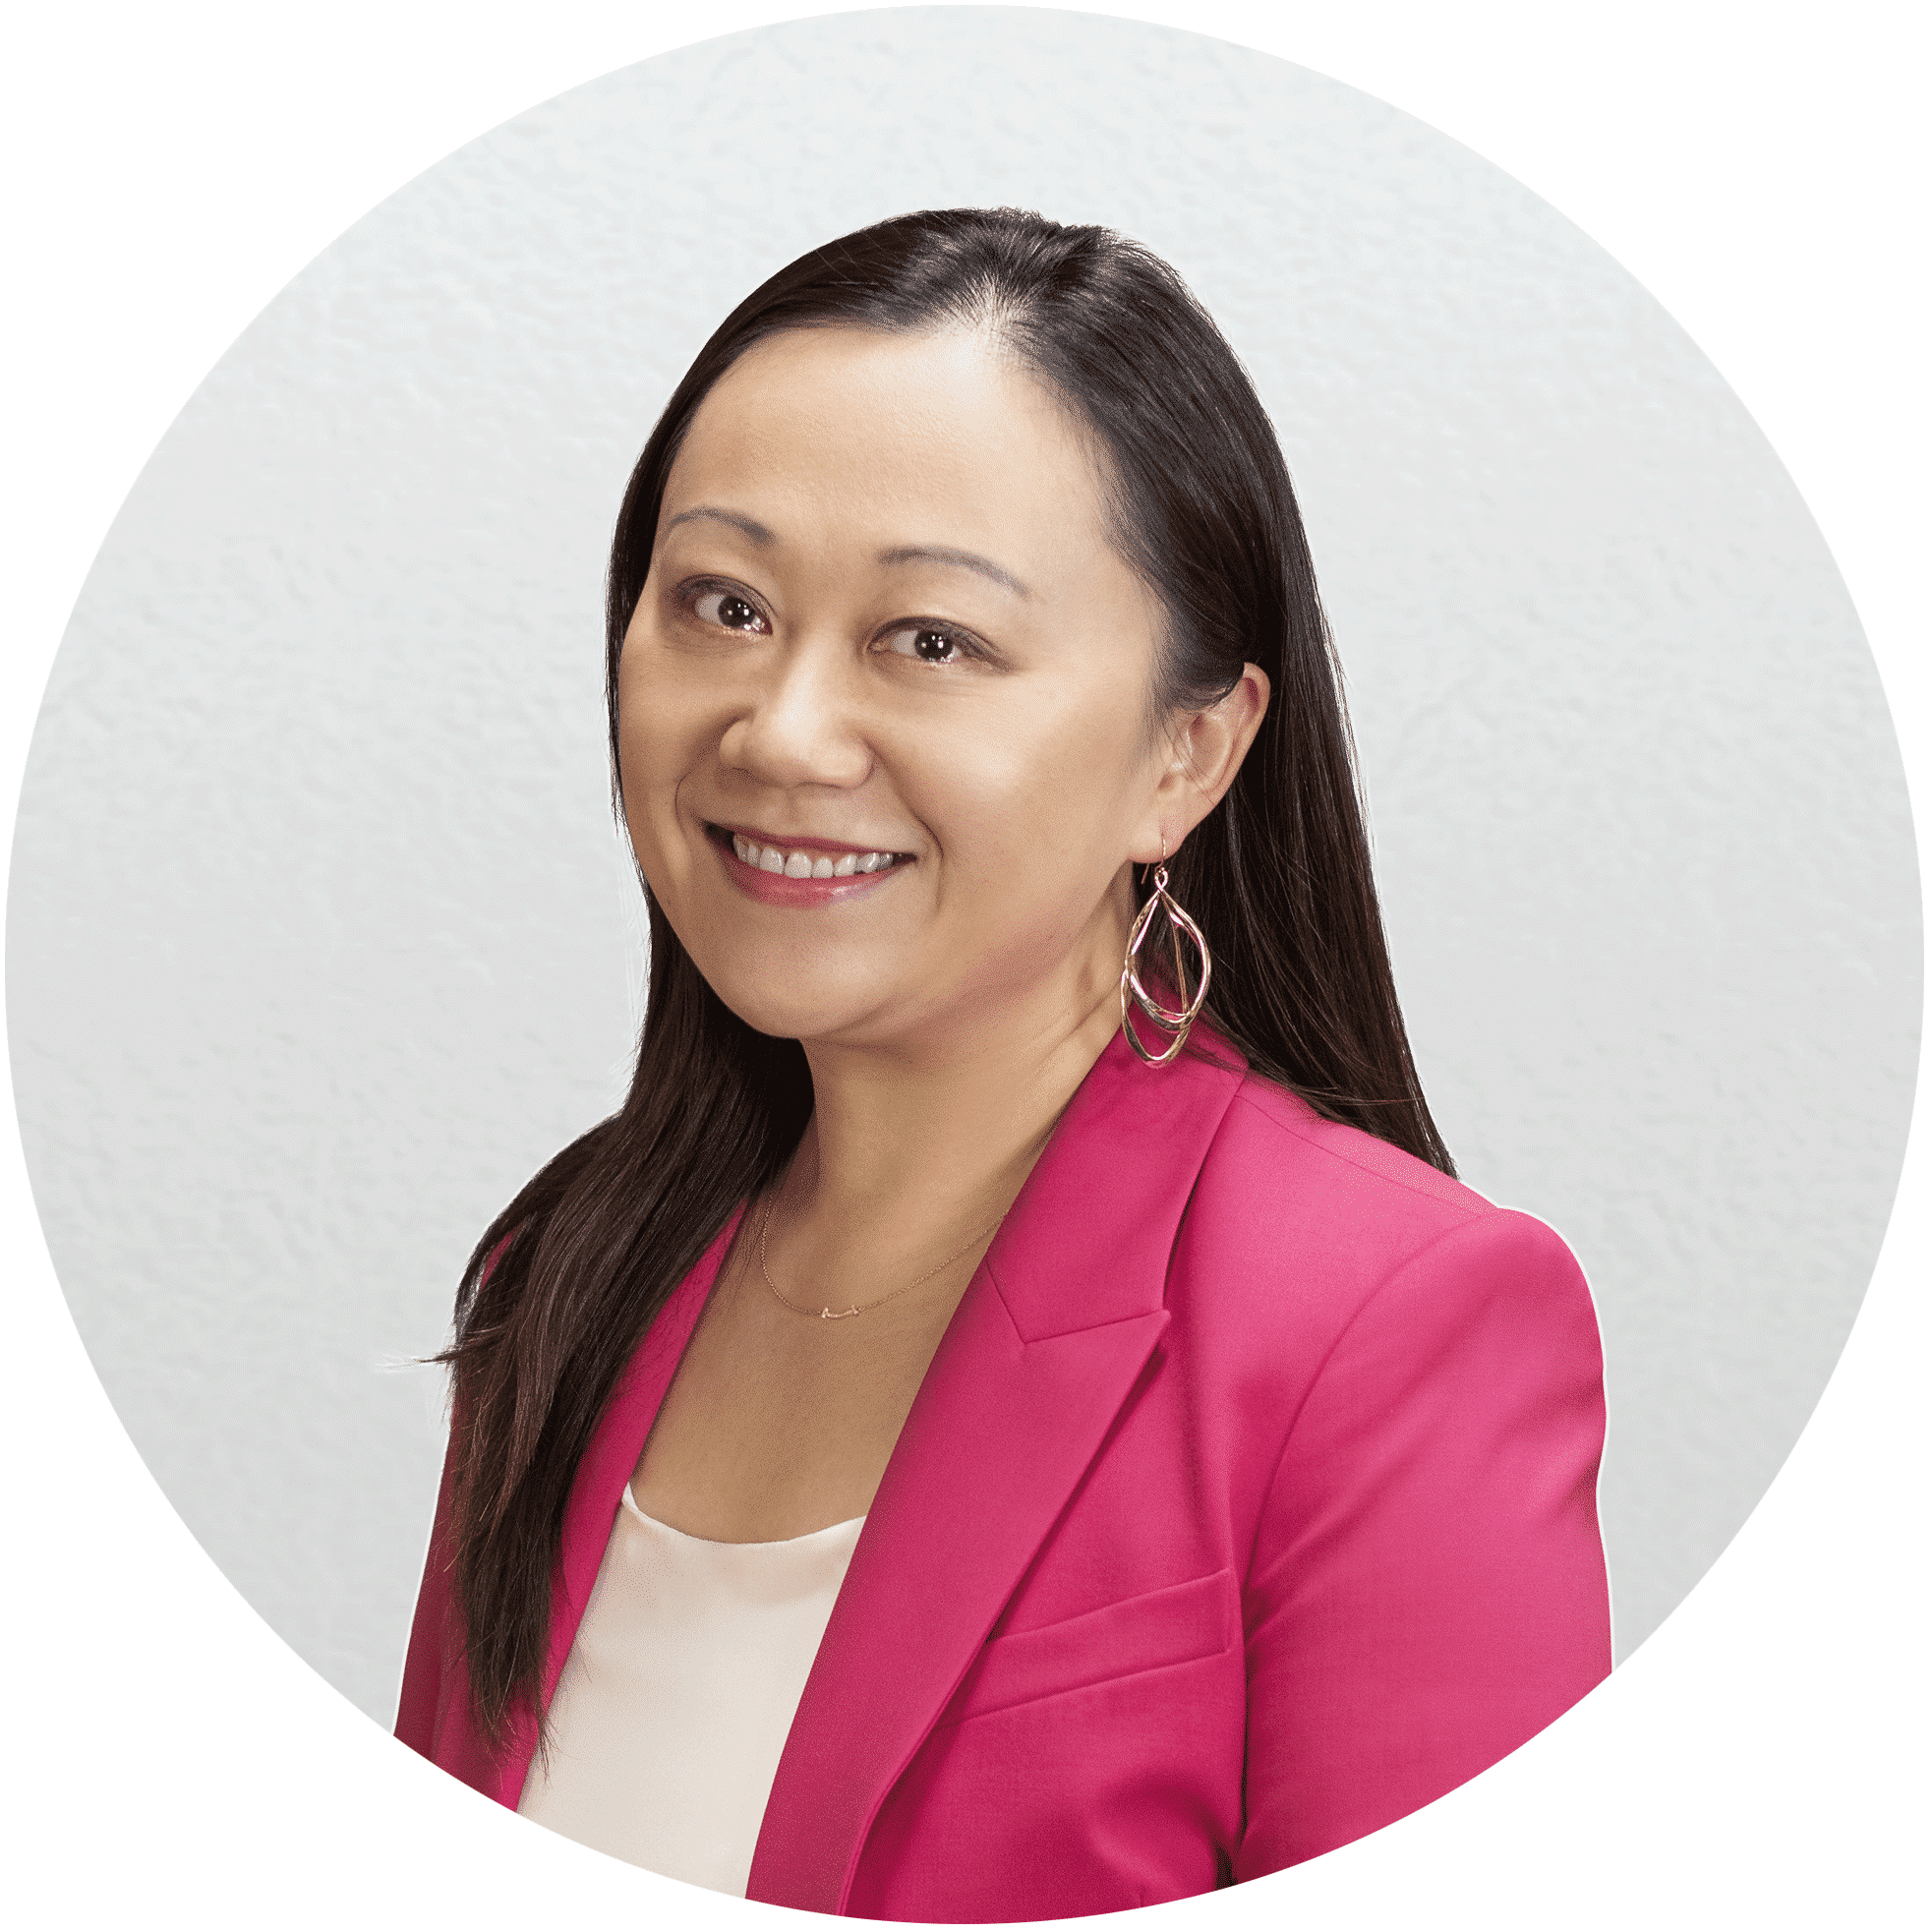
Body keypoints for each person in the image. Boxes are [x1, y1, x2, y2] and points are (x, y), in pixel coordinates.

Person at [395, 207, 1610, 1920]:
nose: (781, 731)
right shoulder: (572, 1270)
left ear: (1187, 754)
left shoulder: (1384, 1331)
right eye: (724, 604)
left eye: (931, 639)